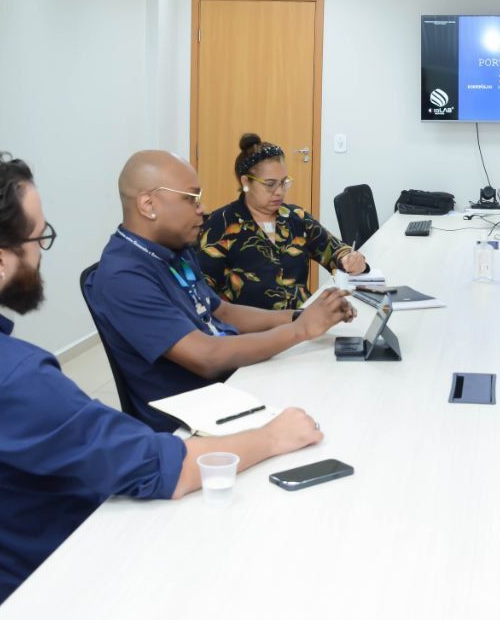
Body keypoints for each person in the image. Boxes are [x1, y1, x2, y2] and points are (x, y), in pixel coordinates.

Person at [0, 151, 323, 605]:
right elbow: (167, 468)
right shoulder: (15, 377)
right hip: (57, 575)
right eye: (38, 239)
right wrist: (272, 437)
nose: (41, 254)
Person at [86, 150, 356, 432]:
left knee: (334, 384)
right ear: (148, 204)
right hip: (197, 417)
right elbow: (208, 358)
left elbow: (221, 311)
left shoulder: (174, 249)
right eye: (190, 198)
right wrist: (301, 330)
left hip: (233, 382)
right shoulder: (124, 276)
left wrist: (300, 316)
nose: (201, 208)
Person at [197, 133, 369, 310]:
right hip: (252, 332)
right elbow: (203, 292)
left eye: (284, 182)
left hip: (303, 322)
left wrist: (351, 259)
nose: (279, 192)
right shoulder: (221, 224)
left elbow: (335, 251)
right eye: (270, 184)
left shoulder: (296, 217)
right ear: (246, 181)